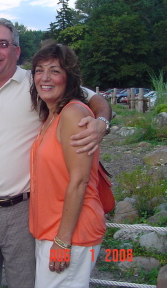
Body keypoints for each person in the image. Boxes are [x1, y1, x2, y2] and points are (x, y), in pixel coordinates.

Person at [0, 18, 111, 288]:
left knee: (29, 282)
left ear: (16, 50)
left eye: (3, 44)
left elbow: (95, 100)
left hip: (26, 209)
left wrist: (103, 123)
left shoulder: (39, 81)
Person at [29, 40, 106, 288]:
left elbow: (80, 180)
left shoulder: (74, 114)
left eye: (55, 70)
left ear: (69, 77)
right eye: (39, 70)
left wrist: (62, 241)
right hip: (51, 230)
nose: (45, 77)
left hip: (71, 233)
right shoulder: (52, 115)